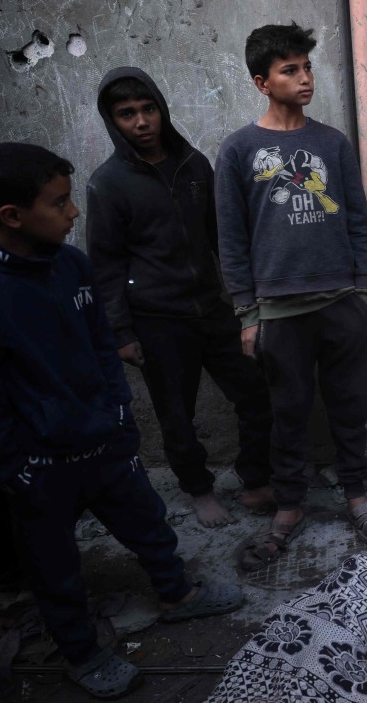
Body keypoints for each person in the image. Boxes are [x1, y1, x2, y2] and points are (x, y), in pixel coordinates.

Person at [0, 143, 245, 699]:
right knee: (54, 565)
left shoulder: (72, 266)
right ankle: (81, 651)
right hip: (41, 462)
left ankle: (176, 594)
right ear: (12, 216)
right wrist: (14, 466)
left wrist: (121, 417)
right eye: (59, 204)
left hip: (103, 441)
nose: (73, 214)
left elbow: (103, 349)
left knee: (148, 523)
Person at [214, 23, 367, 570]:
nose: (305, 77)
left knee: (349, 406)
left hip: (340, 303)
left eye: (307, 66)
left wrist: (363, 293)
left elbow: (360, 222)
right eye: (290, 69)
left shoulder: (330, 143)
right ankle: (289, 506)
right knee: (287, 411)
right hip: (279, 312)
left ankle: (358, 497)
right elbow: (231, 238)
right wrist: (248, 313)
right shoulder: (240, 150)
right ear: (261, 82)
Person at [86, 67, 276, 528]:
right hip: (157, 319)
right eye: (127, 114)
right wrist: (122, 333)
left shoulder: (194, 165)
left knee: (254, 391)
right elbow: (105, 265)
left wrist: (246, 300)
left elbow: (222, 237)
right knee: (176, 413)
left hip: (213, 308)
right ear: (114, 122)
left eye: (148, 109)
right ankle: (199, 488)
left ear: (161, 110)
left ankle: (254, 478)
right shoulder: (108, 183)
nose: (142, 121)